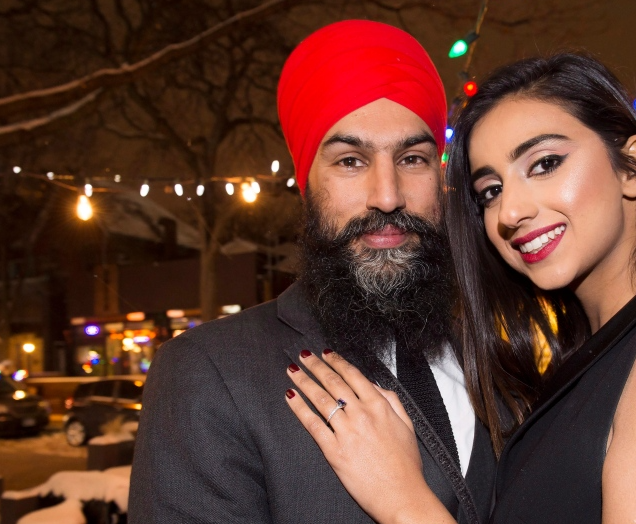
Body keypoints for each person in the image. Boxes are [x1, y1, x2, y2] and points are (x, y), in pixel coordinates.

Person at [285, 53, 636, 523]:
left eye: (545, 164)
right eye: (490, 191)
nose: (511, 211)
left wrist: (405, 503)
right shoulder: (598, 353)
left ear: (632, 167)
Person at [129, 20, 497, 524]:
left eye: (412, 158)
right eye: (350, 161)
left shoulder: (496, 356)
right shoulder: (207, 374)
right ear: (306, 183)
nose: (387, 196)